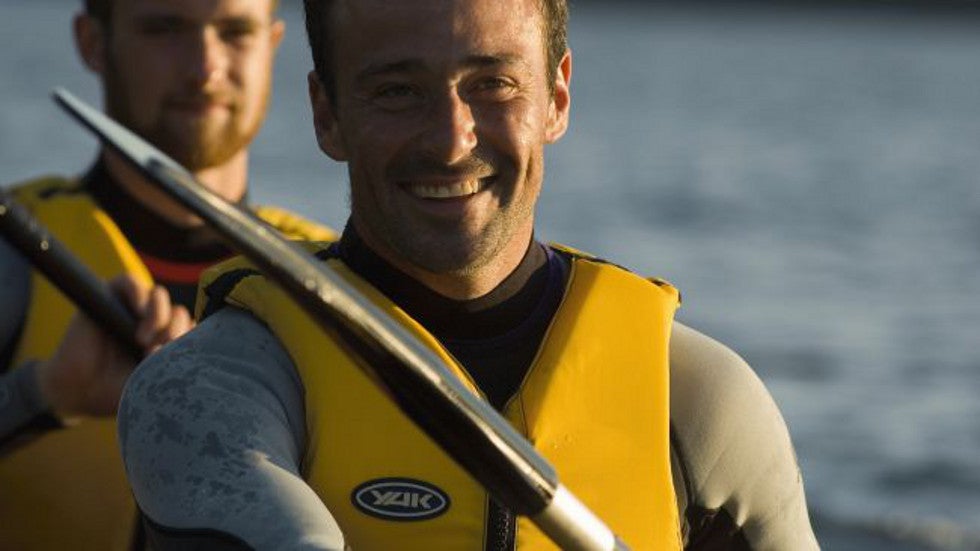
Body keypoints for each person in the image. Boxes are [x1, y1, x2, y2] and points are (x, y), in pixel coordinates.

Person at [119, 0, 820, 549]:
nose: (452, 141)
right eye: (398, 91)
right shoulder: (212, 388)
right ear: (326, 115)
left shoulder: (698, 403)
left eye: (493, 84)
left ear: (557, 97)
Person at [0, 1, 335, 550]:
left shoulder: (335, 280)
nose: (205, 68)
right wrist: (44, 395)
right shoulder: (12, 252)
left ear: (273, 44)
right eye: (164, 28)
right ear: (92, 42)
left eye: (235, 31)